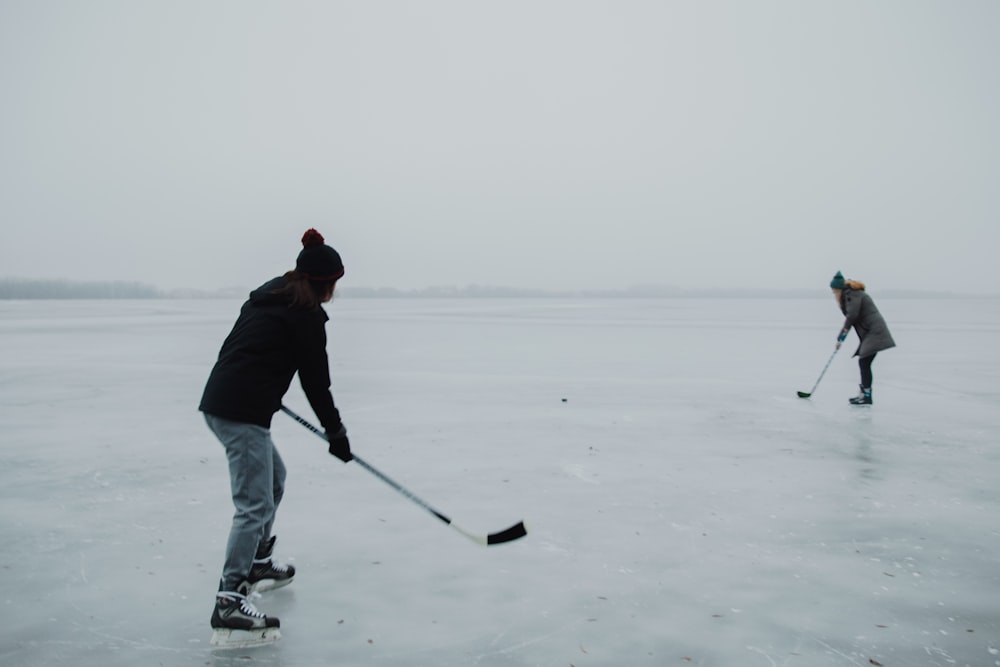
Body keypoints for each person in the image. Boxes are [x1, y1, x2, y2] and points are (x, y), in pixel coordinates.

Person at [199, 228, 353, 646]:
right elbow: (316, 383)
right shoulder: (303, 315)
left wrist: (258, 383)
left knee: (274, 480)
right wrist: (335, 433)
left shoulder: (270, 298)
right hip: (239, 411)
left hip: (229, 401)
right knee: (254, 503)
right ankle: (229, 600)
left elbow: (244, 350)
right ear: (326, 283)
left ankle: (258, 562)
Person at [830, 271, 896, 405]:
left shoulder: (852, 295)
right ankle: (864, 394)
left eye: (835, 292)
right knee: (864, 362)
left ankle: (866, 396)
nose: (834, 295)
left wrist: (841, 338)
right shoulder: (851, 295)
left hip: (875, 332)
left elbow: (852, 316)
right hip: (871, 332)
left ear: (839, 290)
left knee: (864, 362)